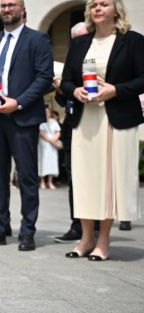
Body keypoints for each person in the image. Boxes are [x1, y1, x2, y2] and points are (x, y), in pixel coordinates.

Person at [60, 0, 144, 261]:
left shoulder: (132, 41)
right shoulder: (80, 44)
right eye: (94, 5)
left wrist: (116, 90)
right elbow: (68, 80)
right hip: (85, 118)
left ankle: (103, 242)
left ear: (116, 10)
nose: (97, 8)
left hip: (116, 119)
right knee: (85, 180)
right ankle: (85, 239)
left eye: (103, 4)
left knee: (108, 180)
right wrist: (75, 92)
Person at [0, 0, 54, 252]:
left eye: (11, 5)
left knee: (27, 177)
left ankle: (27, 231)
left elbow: (44, 77)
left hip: (22, 117)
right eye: (3, 5)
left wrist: (16, 102)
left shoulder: (37, 39)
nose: (7, 9)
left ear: (22, 10)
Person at [53, 21, 90, 243]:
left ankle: (94, 225)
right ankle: (77, 225)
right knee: (74, 175)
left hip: (94, 122)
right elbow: (62, 99)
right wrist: (62, 88)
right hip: (72, 122)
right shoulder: (71, 63)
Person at [38, 106, 61, 189]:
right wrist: (51, 140)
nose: (46, 113)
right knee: (42, 162)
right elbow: (40, 132)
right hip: (43, 144)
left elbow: (58, 132)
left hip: (52, 145)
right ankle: (42, 181)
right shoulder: (40, 121)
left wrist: (54, 139)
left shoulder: (54, 121)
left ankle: (50, 182)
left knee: (52, 162)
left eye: (48, 112)